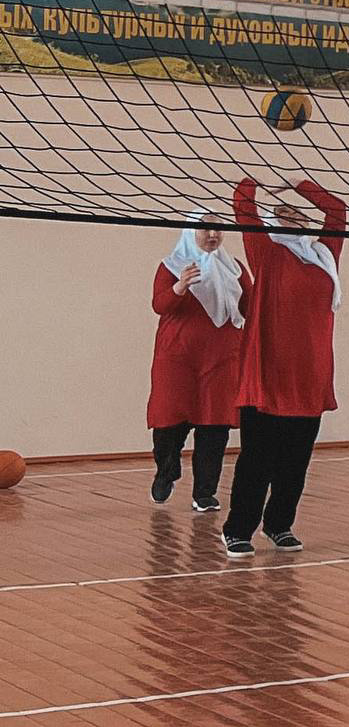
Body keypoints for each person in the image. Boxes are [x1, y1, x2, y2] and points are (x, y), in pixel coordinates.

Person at [221, 176, 345, 558]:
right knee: (257, 462)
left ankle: (279, 525)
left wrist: (299, 184)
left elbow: (337, 211)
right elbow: (244, 206)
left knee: (295, 463)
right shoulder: (267, 253)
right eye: (282, 212)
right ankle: (237, 530)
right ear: (273, 223)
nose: (292, 215)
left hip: (310, 376)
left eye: (296, 212)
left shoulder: (324, 256)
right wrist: (254, 181)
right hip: (268, 376)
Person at [147, 211, 252, 511]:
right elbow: (160, 304)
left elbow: (250, 307)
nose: (212, 235)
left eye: (218, 229)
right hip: (177, 359)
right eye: (205, 229)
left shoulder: (235, 269)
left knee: (215, 427)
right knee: (169, 425)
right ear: (190, 231)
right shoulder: (171, 266)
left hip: (222, 360)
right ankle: (166, 472)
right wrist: (179, 287)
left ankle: (204, 493)